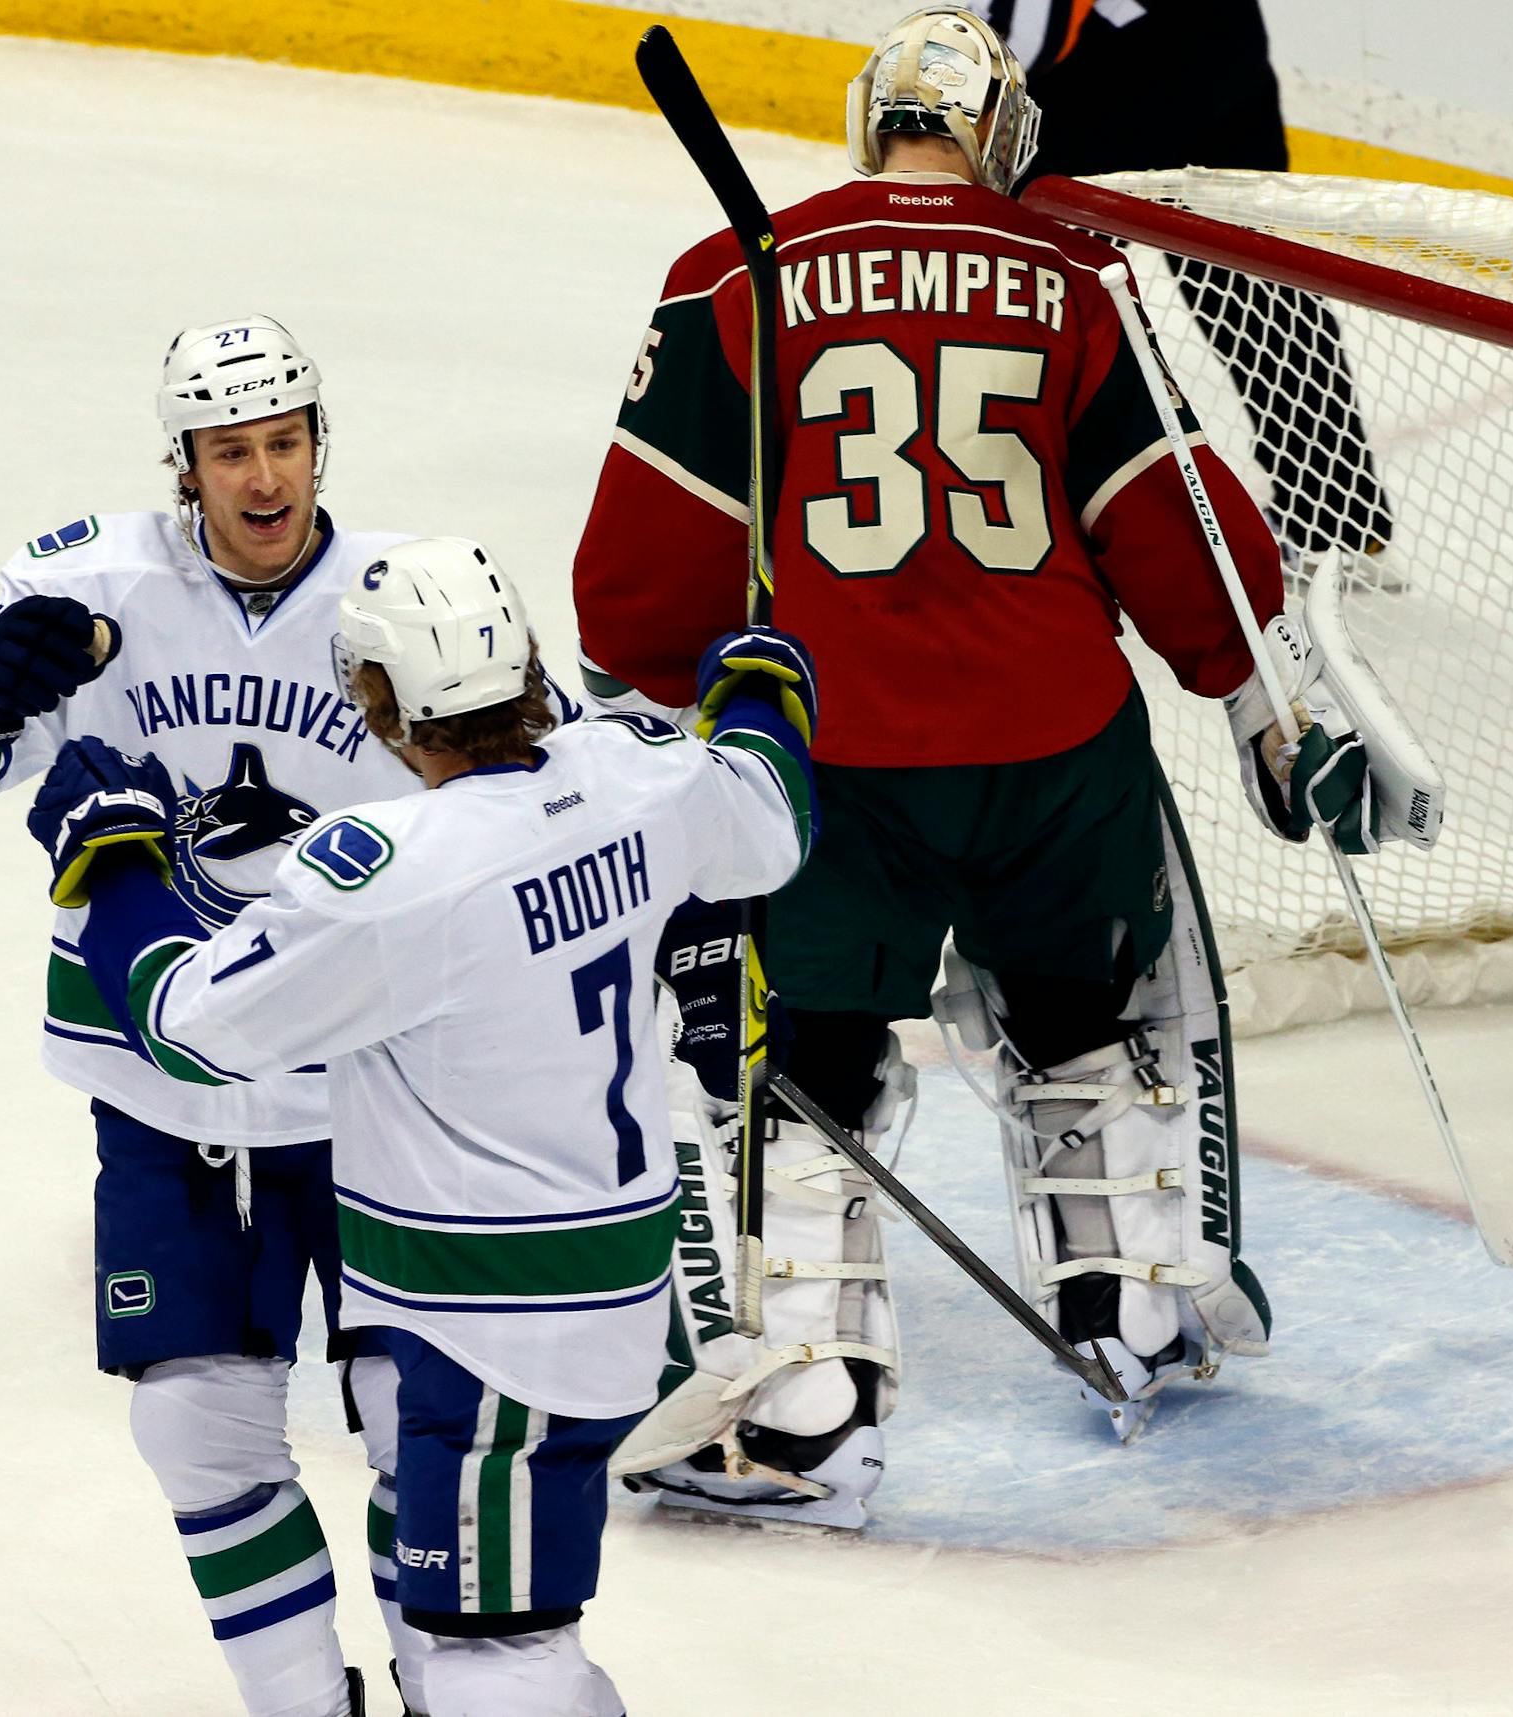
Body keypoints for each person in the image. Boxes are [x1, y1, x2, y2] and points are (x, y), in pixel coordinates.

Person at [573, 7, 1437, 1528]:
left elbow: (635, 596)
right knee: (1086, 1017)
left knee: (812, 1067)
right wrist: (1259, 704)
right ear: (1006, 139)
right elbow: (1178, 533)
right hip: (1058, 751)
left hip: (829, 761)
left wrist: (695, 716)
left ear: (867, 126)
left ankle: (805, 1411)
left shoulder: (733, 278)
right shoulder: (1072, 277)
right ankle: (1139, 1308)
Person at [0, 320, 578, 1715]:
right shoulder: (83, 583)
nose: (265, 480)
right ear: (184, 464)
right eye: (231, 451)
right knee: (194, 1425)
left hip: (374, 1094)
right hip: (157, 1085)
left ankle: (449, 1688)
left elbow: (537, 793)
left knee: (408, 1423)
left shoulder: (409, 595)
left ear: (321, 442)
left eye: (287, 443)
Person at [24, 537, 818, 1716]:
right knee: (500, 1637)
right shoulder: (634, 771)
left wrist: (121, 860)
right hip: (615, 1282)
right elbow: (771, 812)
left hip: (500, 1320)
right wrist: (762, 688)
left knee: (492, 1656)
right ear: (529, 667)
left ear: (383, 702)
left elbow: (189, 1024)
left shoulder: (395, 873)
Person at [974, 0, 1395, 567]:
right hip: (1224, 46)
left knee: (1019, 269)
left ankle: (979, 495)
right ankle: (1338, 520)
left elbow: (1019, 37)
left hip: (1132, 71)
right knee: (1251, 290)